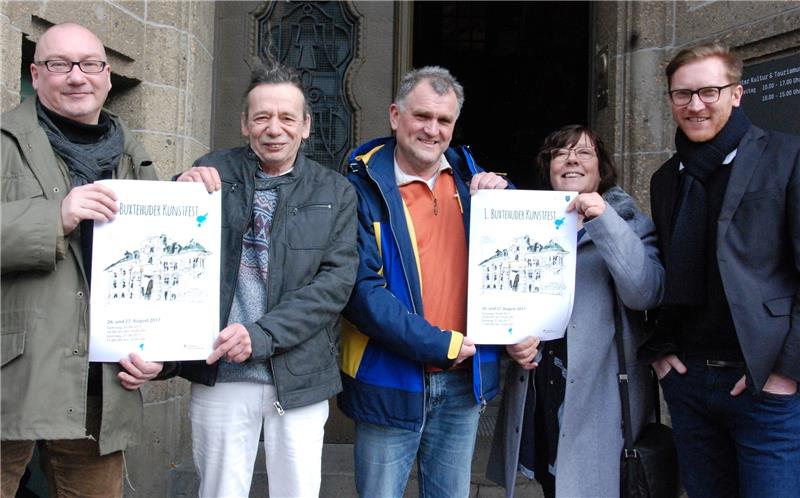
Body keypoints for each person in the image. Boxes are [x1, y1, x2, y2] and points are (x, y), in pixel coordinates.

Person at [175, 63, 358, 498]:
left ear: (306, 127)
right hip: (221, 371)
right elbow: (172, 250)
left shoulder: (334, 191)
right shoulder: (210, 173)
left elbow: (333, 286)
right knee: (220, 492)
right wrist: (176, 192)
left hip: (298, 376)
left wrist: (260, 335)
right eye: (261, 117)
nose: (274, 129)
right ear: (244, 124)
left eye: (287, 118)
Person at [1, 23, 166, 497]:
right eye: (59, 65)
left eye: (90, 64)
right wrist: (55, 216)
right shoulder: (3, 139)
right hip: (15, 372)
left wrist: (188, 192)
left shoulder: (133, 155)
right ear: (35, 75)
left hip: (101, 379)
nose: (77, 77)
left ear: (108, 76)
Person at [338, 66, 508, 498]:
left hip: (463, 381)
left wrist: (508, 199)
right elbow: (361, 295)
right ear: (396, 116)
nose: (432, 129)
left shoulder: (476, 187)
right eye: (422, 116)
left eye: (444, 120)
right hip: (388, 379)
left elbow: (515, 267)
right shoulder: (359, 189)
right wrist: (440, 344)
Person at [641, 42, 800, 497]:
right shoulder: (667, 177)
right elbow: (665, 269)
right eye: (682, 94)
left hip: (764, 386)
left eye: (709, 91)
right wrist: (662, 355)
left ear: (737, 93)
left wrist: (785, 371)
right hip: (689, 384)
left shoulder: (787, 158)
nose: (695, 105)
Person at [486, 125, 664, 498]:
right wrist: (511, 342)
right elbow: (503, 293)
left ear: (602, 168)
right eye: (560, 153)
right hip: (543, 380)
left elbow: (645, 291)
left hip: (598, 393)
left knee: (592, 484)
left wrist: (604, 219)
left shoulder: (629, 221)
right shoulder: (523, 222)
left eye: (584, 153)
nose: (571, 160)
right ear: (548, 167)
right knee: (553, 482)